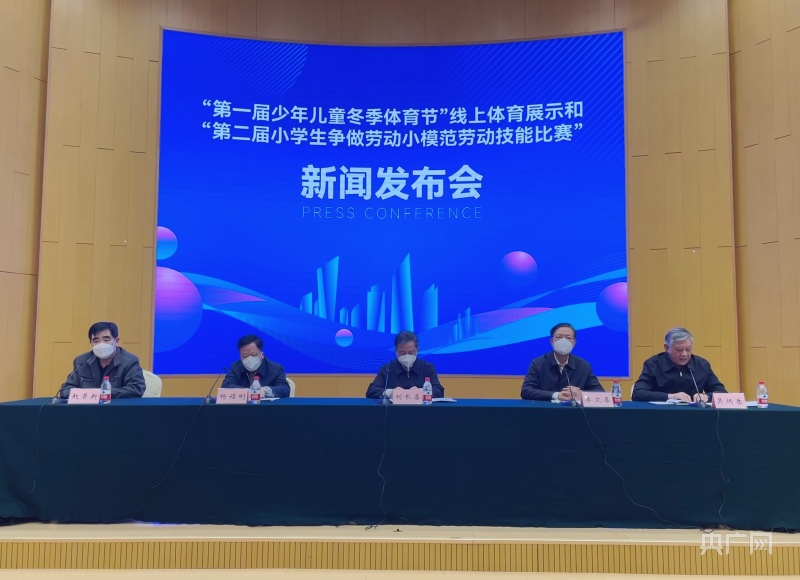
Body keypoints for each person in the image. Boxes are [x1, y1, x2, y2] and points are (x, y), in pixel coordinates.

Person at [632, 327, 727, 403]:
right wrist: (670, 396)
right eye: (679, 350)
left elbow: (722, 393)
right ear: (667, 348)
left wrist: (706, 397)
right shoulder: (653, 364)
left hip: (694, 416)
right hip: (661, 415)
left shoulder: (701, 365)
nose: (684, 354)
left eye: (688, 349)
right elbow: (638, 393)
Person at [56, 321, 146, 400]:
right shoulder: (81, 362)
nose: (101, 344)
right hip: (88, 410)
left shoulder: (129, 361)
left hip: (116, 410)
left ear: (116, 341)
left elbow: (136, 389)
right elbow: (65, 390)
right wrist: (91, 395)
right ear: (91, 343)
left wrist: (101, 394)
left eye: (106, 340)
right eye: (96, 341)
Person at [521, 322, 605, 401]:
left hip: (573, 410)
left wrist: (580, 394)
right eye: (559, 337)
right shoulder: (538, 363)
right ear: (552, 341)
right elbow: (526, 391)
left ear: (574, 343)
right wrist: (557, 395)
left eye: (568, 338)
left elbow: (600, 392)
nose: (563, 341)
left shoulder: (583, 366)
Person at [366, 330, 444, 399]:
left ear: (417, 349)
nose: (407, 356)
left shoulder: (427, 368)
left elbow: (438, 391)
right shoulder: (387, 369)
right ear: (395, 351)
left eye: (411, 352)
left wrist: (421, 392)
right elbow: (371, 391)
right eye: (402, 353)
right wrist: (391, 393)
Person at [221, 334, 291, 398]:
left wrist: (265, 391)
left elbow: (285, 389)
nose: (249, 359)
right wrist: (248, 392)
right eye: (245, 355)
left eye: (253, 355)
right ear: (240, 356)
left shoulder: (275, 368)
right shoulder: (235, 367)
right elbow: (226, 386)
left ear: (262, 354)